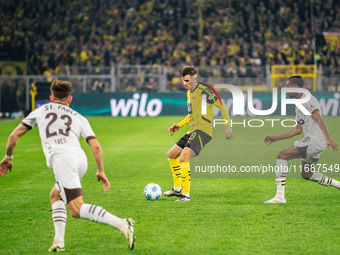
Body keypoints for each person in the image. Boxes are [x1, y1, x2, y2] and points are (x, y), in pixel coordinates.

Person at [0, 80, 135, 251]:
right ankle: (58, 242)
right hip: (79, 159)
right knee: (55, 196)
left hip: (63, 160)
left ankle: (123, 224)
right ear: (69, 99)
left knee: (76, 209)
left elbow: (13, 136)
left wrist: (8, 157)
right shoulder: (79, 117)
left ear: (51, 97)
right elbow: (96, 146)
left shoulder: (40, 111)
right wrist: (100, 170)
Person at [264, 75, 339, 204]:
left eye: (287, 87)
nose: (285, 90)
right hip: (314, 140)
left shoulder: (306, 99)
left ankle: (280, 197)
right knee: (307, 174)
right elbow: (297, 130)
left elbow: (318, 118)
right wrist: (276, 137)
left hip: (315, 140)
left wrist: (328, 138)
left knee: (282, 156)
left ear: (295, 87)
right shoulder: (299, 103)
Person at [164, 66, 233, 202]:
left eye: (187, 81)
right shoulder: (190, 93)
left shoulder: (205, 90)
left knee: (184, 157)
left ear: (195, 78)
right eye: (183, 81)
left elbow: (222, 106)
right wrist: (179, 125)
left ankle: (186, 195)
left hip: (203, 131)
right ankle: (177, 189)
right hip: (192, 131)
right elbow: (191, 115)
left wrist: (227, 126)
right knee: (171, 154)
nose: (185, 83)